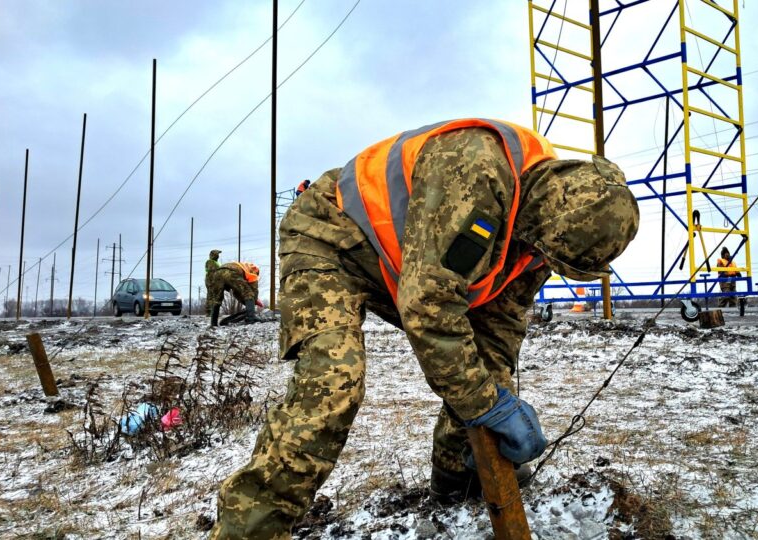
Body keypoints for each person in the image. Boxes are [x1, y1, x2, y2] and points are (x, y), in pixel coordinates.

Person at [210, 118, 640, 539]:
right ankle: (249, 528)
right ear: (542, 220)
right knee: (333, 381)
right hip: (329, 240)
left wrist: (494, 406)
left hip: (403, 264)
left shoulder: (544, 229)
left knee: (487, 378)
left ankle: (458, 488)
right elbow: (430, 307)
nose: (544, 264)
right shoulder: (475, 172)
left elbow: (500, 328)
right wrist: (484, 404)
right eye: (548, 257)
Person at [206, 261, 263, 326]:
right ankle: (251, 318)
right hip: (231, 272)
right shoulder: (254, 271)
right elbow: (253, 290)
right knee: (248, 293)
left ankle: (213, 323)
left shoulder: (243, 266)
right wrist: (254, 301)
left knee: (217, 300)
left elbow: (237, 293)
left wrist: (248, 303)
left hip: (217, 273)